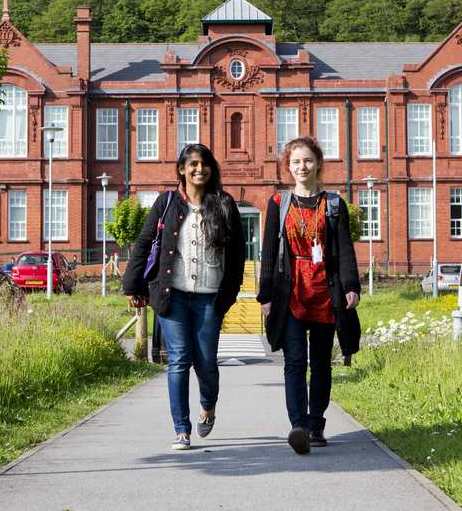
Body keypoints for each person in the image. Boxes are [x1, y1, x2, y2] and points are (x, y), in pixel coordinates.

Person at [123, 144, 245, 451]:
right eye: (193, 164)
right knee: (178, 361)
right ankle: (181, 428)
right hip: (172, 295)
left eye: (204, 164)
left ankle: (208, 406)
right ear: (182, 169)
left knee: (206, 364)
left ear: (211, 169)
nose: (199, 169)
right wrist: (131, 285)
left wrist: (229, 295)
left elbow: (237, 255)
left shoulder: (225, 204)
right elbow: (144, 243)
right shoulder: (166, 203)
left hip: (209, 298)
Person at [257, 136, 361, 455]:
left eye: (307, 161)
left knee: (321, 363)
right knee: (294, 360)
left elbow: (344, 249)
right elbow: (268, 251)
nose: (302, 167)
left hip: (324, 292)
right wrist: (265, 295)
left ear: (318, 164)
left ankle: (316, 423)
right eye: (295, 162)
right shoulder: (279, 203)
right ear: (288, 167)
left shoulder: (333, 204)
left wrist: (351, 286)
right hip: (290, 291)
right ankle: (298, 426)